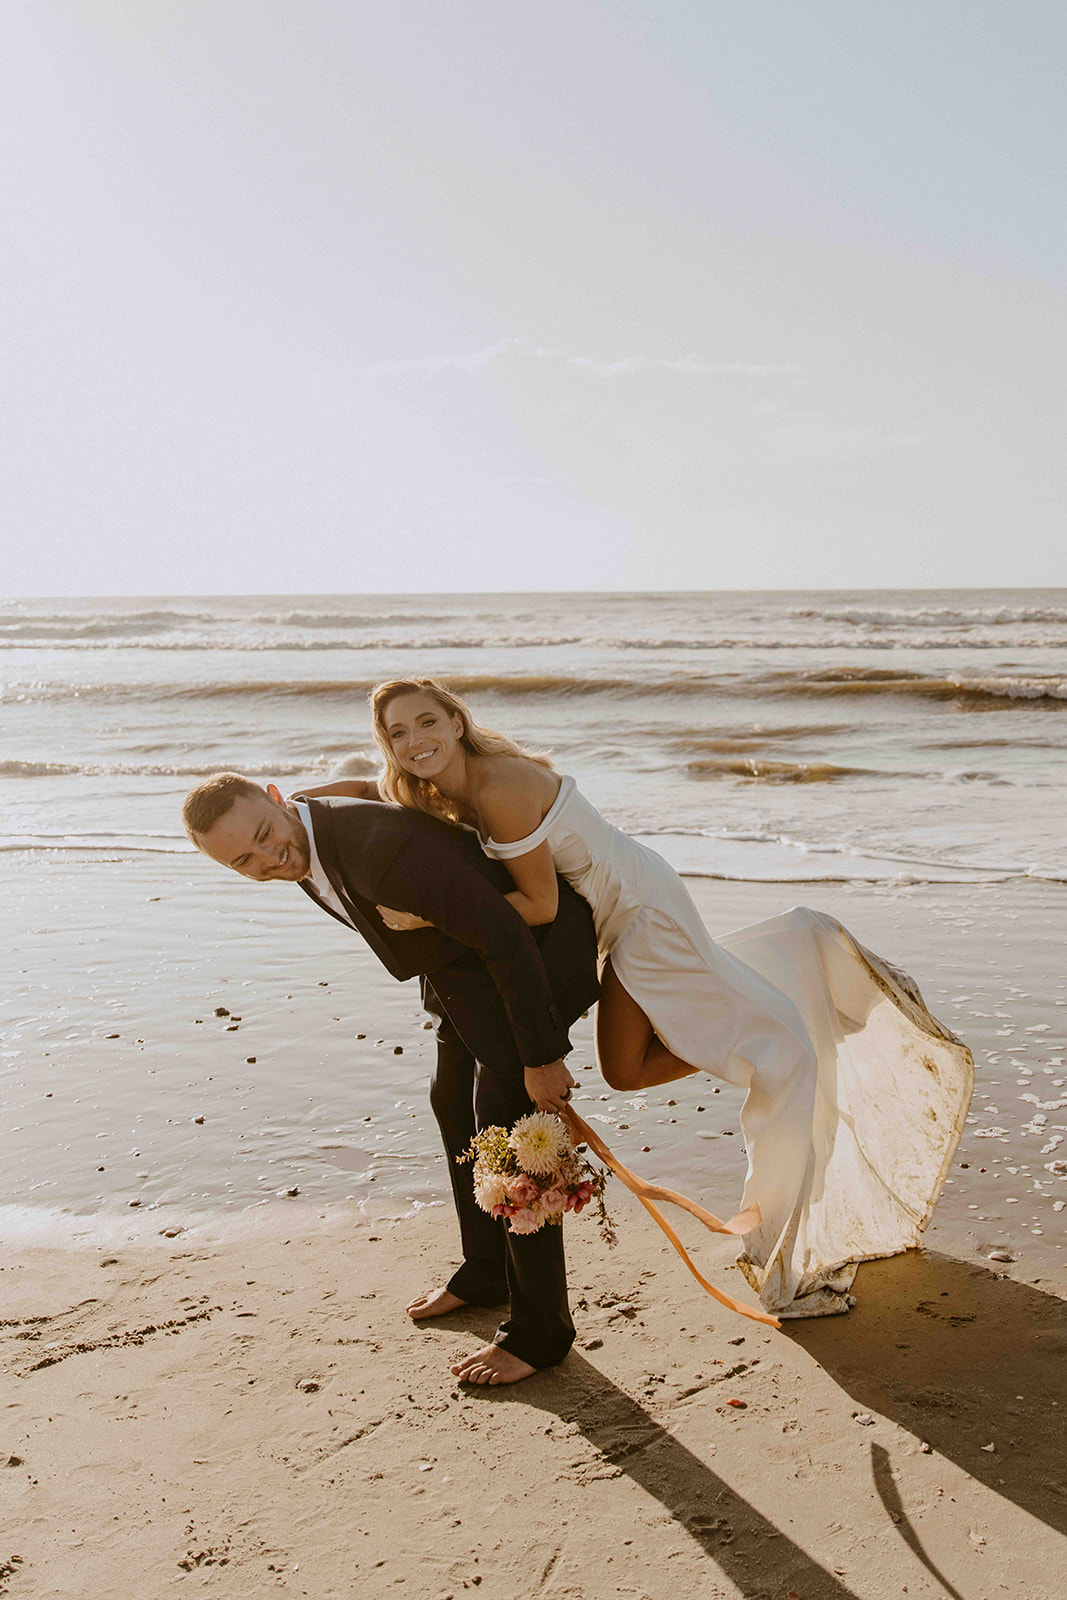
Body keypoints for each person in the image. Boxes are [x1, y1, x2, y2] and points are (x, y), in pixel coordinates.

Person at [303, 679, 974, 1319]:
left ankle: (780, 1024)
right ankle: (766, 1011)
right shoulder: (432, 787)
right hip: (615, 916)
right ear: (387, 745)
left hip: (641, 914)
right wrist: (289, 806)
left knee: (635, 1068)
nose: (415, 739)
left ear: (455, 719)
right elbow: (364, 790)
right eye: (397, 733)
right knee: (626, 1071)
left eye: (427, 721)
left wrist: (429, 917)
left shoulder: (497, 787)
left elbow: (534, 905)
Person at [181, 773, 600, 1384]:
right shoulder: (304, 831)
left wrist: (541, 1058)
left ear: (277, 797)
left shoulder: (378, 850)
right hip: (462, 975)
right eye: (244, 861)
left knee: (509, 1133)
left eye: (266, 837)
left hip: (535, 963)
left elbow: (505, 935)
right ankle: (486, 1272)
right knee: (452, 1097)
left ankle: (542, 1333)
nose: (269, 859)